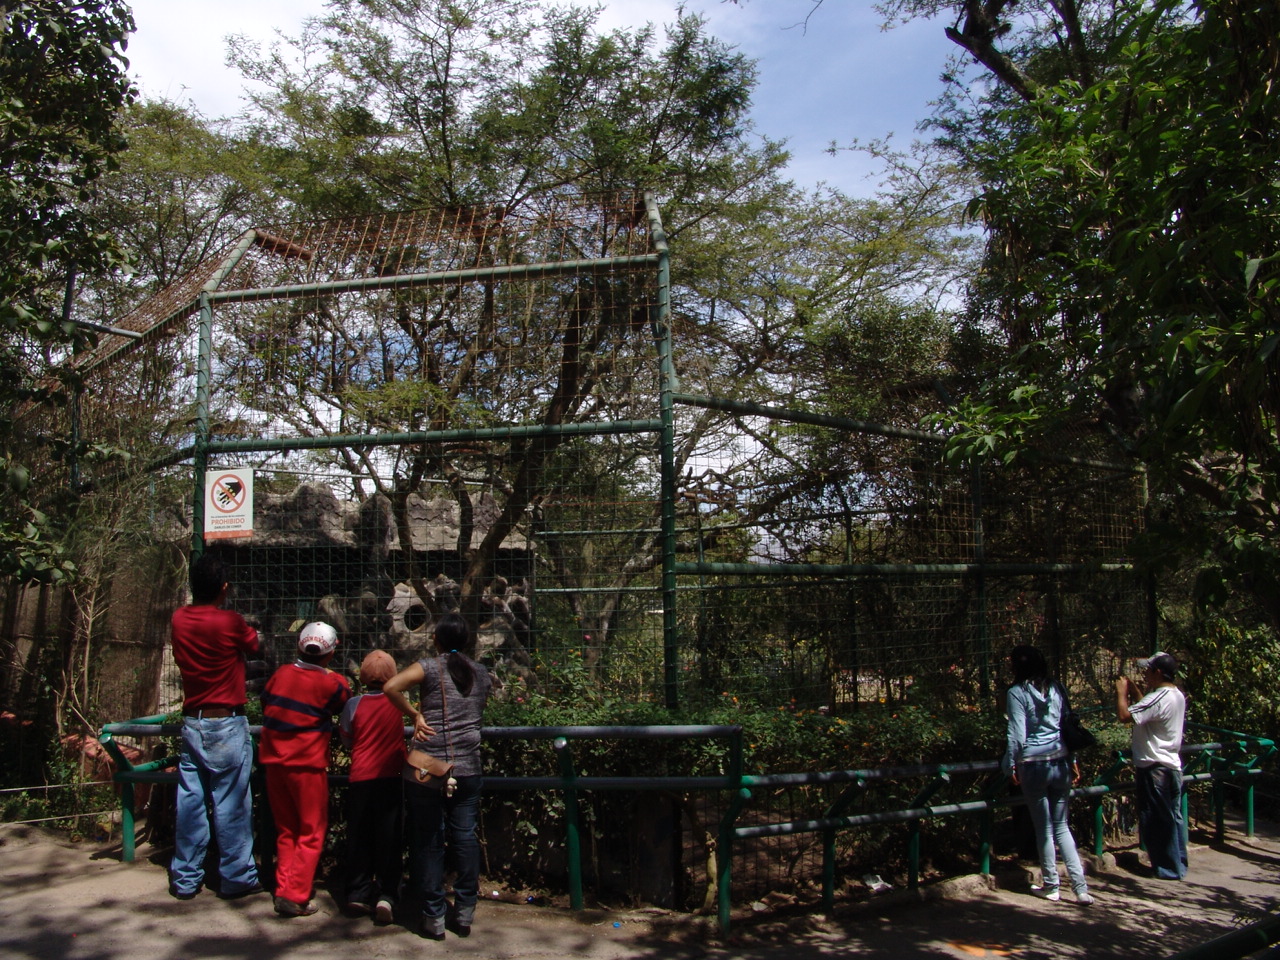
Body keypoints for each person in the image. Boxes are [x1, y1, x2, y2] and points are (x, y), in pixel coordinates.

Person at [383, 613, 494, 940]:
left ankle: (432, 915)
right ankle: (464, 911)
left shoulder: (429, 667)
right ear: (467, 641)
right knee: (464, 836)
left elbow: (390, 686)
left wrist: (415, 714)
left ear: (436, 640)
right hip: (468, 768)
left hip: (428, 768)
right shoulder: (482, 673)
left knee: (429, 840)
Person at [168, 552, 264, 901]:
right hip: (226, 722)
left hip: (193, 722)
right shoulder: (231, 622)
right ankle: (237, 876)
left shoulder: (179, 619)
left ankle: (185, 878)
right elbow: (253, 645)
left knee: (191, 801)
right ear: (224, 587)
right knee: (231, 802)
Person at [259, 621, 352, 917]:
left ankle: (283, 886)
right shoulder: (333, 683)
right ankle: (295, 894)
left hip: (274, 762)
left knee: (286, 829)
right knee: (311, 831)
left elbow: (266, 702)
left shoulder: (280, 675)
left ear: (299, 645)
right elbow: (342, 703)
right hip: (307, 766)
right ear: (331, 652)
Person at [1001, 645, 1093, 905]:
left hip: (1033, 764)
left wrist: (1011, 765)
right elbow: (1066, 725)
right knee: (1063, 826)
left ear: (1016, 667)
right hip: (1060, 761)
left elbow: (1017, 734)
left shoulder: (1016, 693)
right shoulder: (1056, 688)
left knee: (1044, 828)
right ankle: (1081, 888)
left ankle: (1051, 885)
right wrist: (1072, 759)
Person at [339, 649, 408, 924]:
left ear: (363, 676)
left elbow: (346, 737)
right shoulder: (398, 701)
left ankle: (357, 892)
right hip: (392, 776)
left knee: (359, 836)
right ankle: (387, 895)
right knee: (390, 838)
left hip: (361, 778)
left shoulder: (353, 704)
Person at [1116, 650, 1187, 880]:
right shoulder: (1175, 695)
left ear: (1157, 672)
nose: (1145, 673)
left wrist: (1121, 693)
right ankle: (1178, 863)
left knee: (1158, 818)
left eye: (1148, 669)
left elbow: (1126, 716)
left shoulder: (1158, 697)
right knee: (1173, 816)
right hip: (1171, 764)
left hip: (1155, 766)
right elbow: (1147, 712)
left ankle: (1167, 868)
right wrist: (1137, 692)